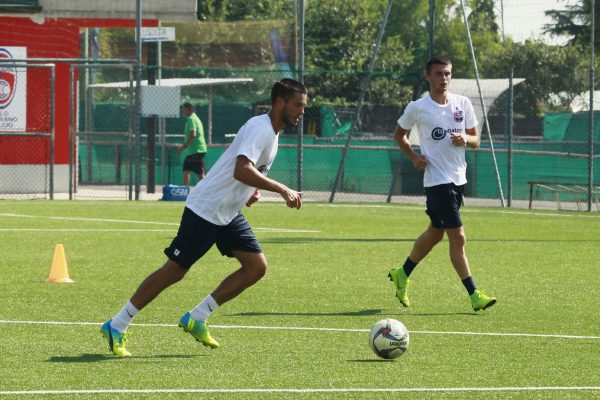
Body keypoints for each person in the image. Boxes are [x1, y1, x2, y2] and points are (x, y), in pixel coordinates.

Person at [101, 79, 307, 357]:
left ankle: (197, 317)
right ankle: (117, 324)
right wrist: (282, 189)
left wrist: (251, 192)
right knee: (175, 270)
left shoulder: (272, 132)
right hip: (206, 209)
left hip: (228, 212)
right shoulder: (260, 128)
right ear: (280, 102)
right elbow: (241, 168)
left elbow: (246, 171)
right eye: (298, 105)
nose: (302, 111)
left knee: (255, 267)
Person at [388, 56, 496, 312]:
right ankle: (474, 294)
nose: (444, 78)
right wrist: (413, 157)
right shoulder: (418, 107)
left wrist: (465, 140)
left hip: (458, 178)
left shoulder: (463, 103)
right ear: (428, 77)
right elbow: (398, 134)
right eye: (438, 74)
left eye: (447, 73)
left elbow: (476, 139)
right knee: (457, 237)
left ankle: (403, 273)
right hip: (437, 181)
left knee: (436, 233)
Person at [178, 102, 207, 185]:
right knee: (186, 169)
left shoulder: (191, 119)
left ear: (190, 109)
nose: (182, 111)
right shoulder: (194, 118)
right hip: (195, 151)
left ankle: (208, 192)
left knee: (200, 175)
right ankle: (184, 192)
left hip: (197, 151)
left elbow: (193, 134)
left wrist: (183, 147)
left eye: (184, 109)